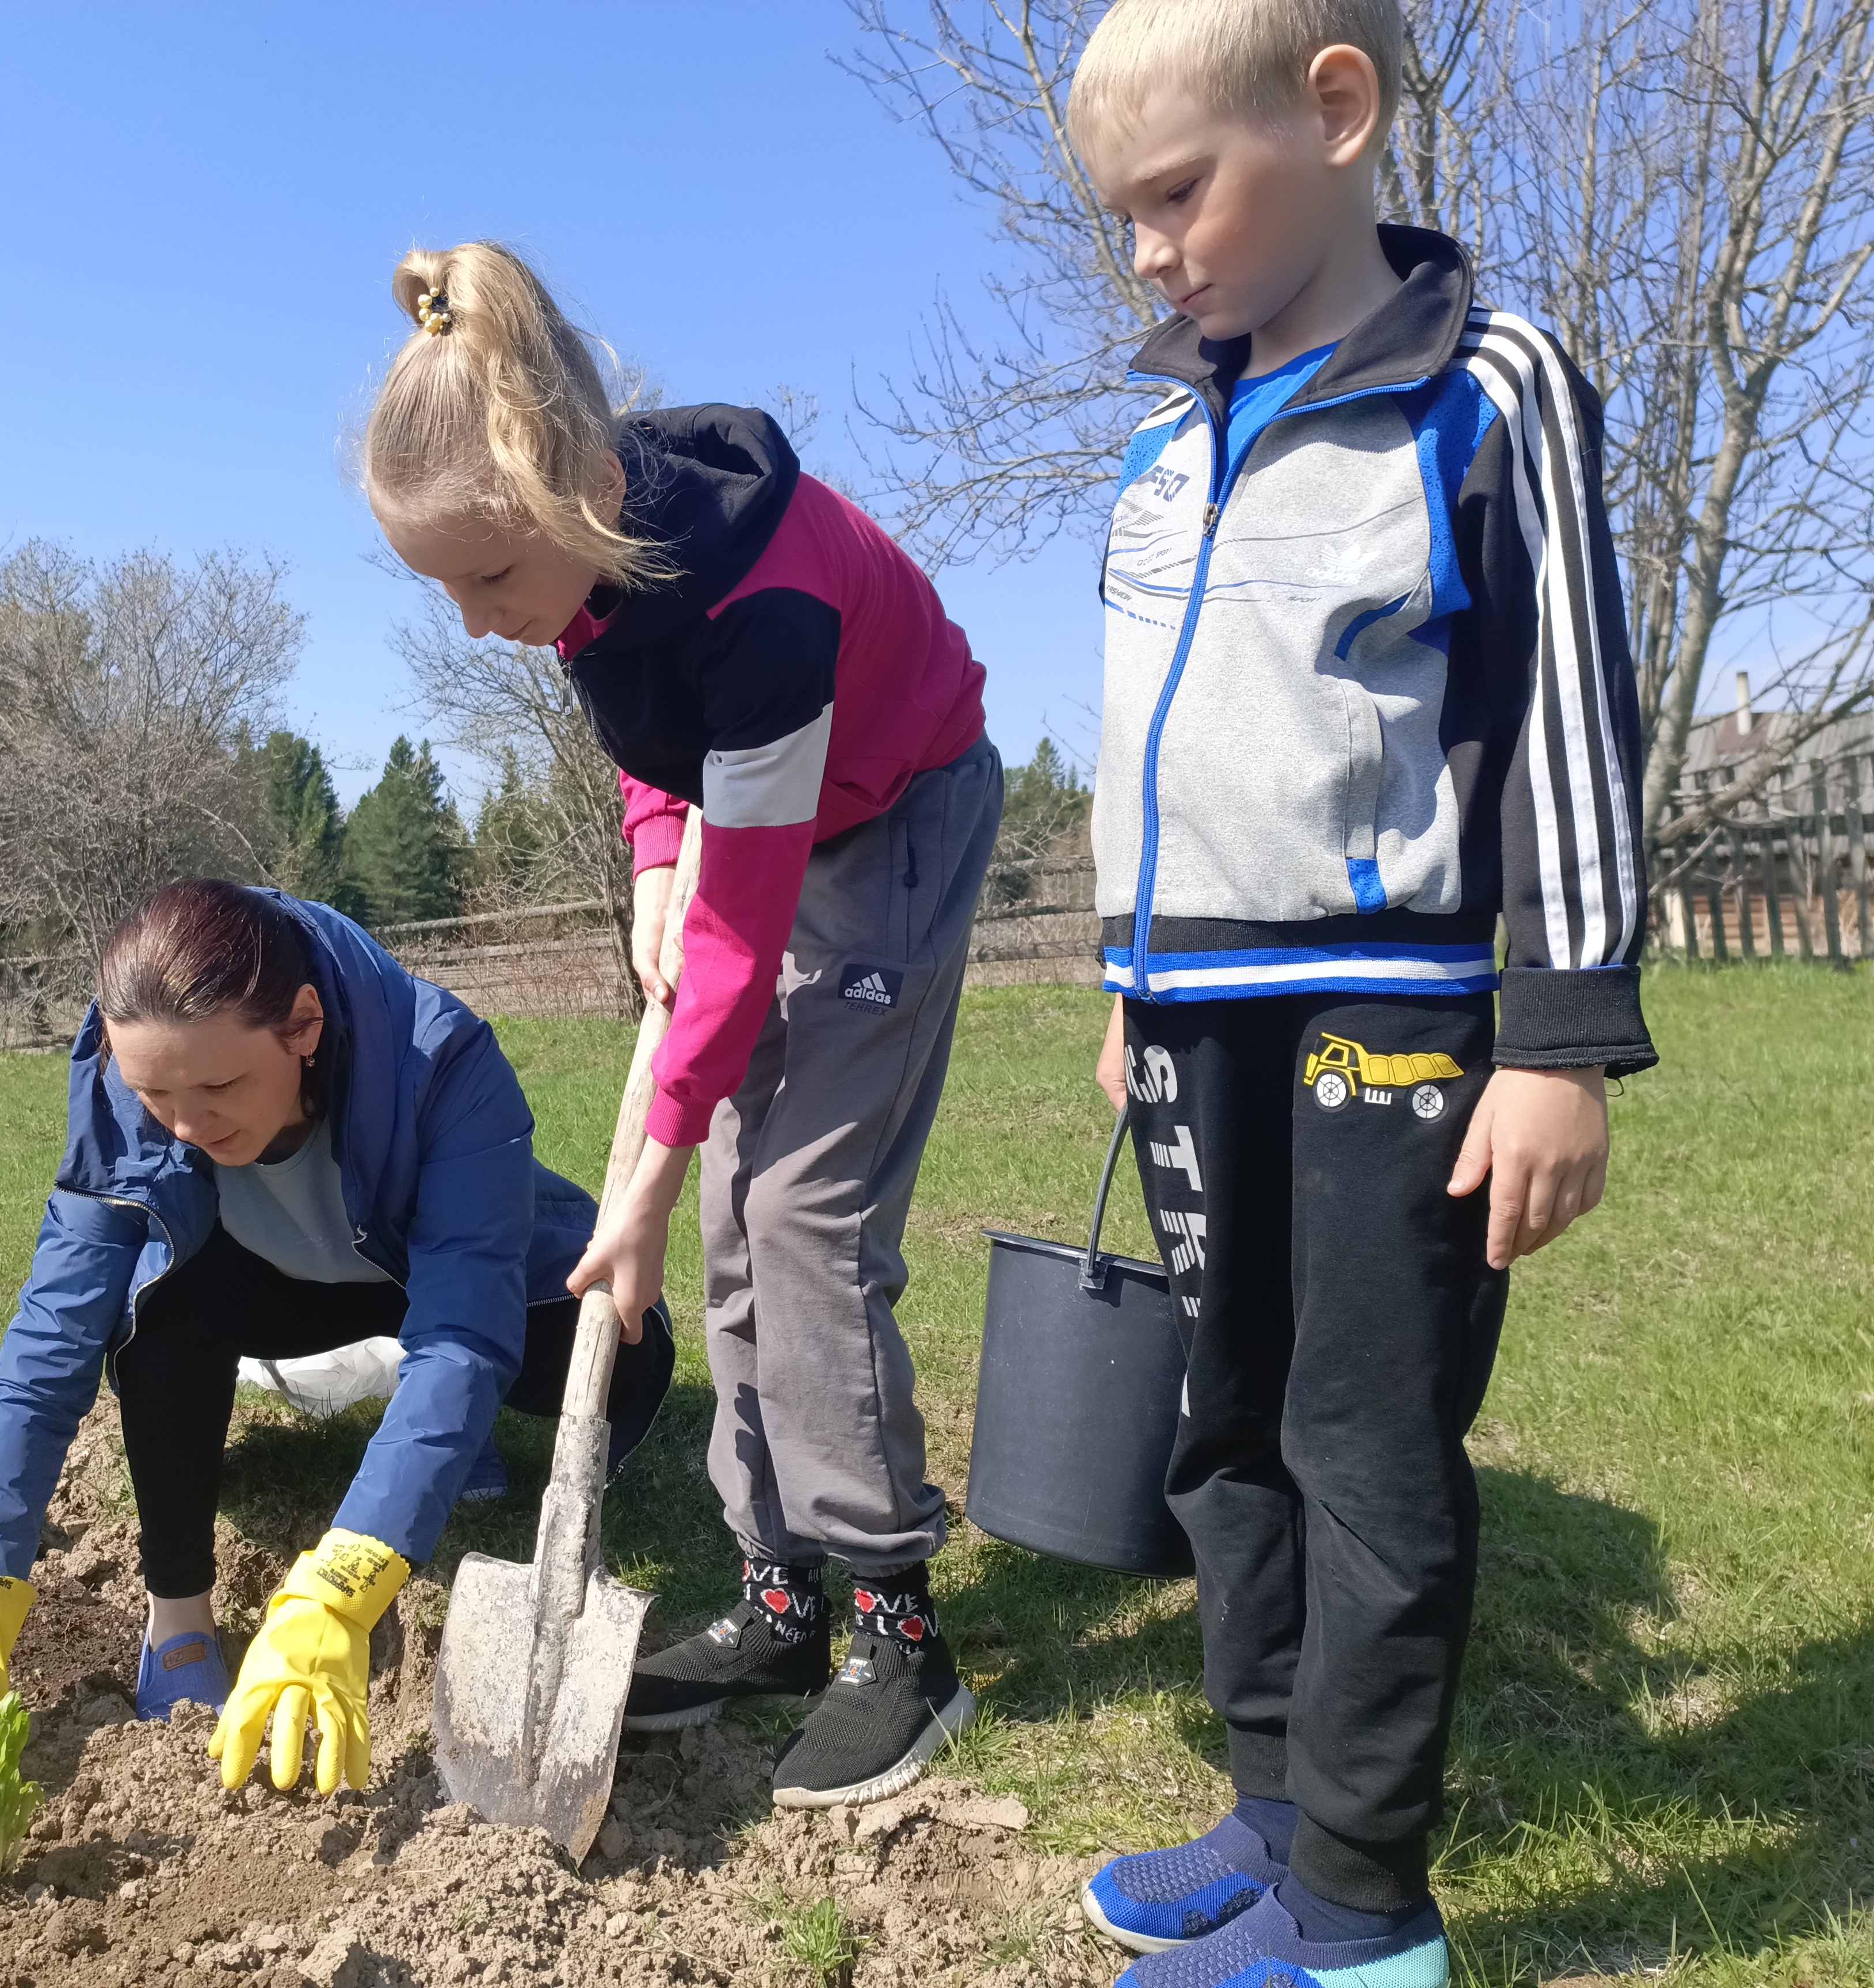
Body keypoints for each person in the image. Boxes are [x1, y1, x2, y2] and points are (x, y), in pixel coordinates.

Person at [1061, 3, 1658, 1983]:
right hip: (1187, 1013)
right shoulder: (1162, 436)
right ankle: (1269, 1807)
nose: (1144, 249)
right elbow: (1145, 736)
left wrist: (1559, 1036)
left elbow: (1565, 712)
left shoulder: (1482, 387)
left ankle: (1362, 1915)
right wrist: (1122, 979)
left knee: (1362, 1442)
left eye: (1171, 193)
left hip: (1385, 1007)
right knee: (1217, 1423)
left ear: (1331, 112)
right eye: (1116, 217)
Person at [368, 243, 1001, 1809]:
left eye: (486, 581)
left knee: (800, 1214)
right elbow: (657, 717)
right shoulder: (593, 547)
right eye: (439, 589)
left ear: (582, 491)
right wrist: (657, 850)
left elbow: (748, 920)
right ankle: (778, 1588)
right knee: (732, 1210)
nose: (471, 623)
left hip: (895, 817)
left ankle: (895, 1628)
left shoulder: (769, 602)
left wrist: (632, 1185)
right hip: (779, 820)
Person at [0, 880, 674, 1833]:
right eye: (155, 1095)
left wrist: (341, 1590)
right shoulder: (122, 1091)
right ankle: (178, 1620)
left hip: (453, 1279)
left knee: (612, 1362)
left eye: (220, 1087)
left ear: (303, 1025)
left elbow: (468, 1334)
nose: (187, 1125)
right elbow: (43, 1358)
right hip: (274, 1285)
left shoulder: (444, 1061)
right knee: (156, 1297)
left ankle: (418, 1422)